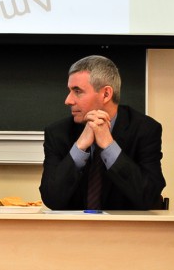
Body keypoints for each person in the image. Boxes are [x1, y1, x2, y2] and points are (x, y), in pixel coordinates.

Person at [39, 55, 166, 210]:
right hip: (73, 230)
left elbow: (148, 197)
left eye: (77, 91)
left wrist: (109, 146)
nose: (68, 100)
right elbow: (51, 198)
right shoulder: (58, 133)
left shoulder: (145, 130)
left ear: (106, 94)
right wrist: (79, 147)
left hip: (127, 230)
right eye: (69, 91)